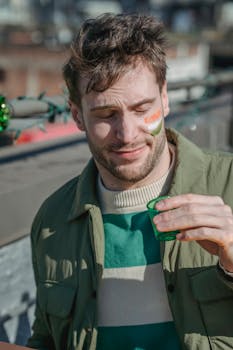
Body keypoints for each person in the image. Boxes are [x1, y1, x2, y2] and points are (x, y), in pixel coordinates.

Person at [27, 13, 233, 350]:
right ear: (77, 115)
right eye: (106, 115)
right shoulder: (53, 220)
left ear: (165, 98)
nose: (127, 134)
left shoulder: (229, 184)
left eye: (142, 109)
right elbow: (47, 338)